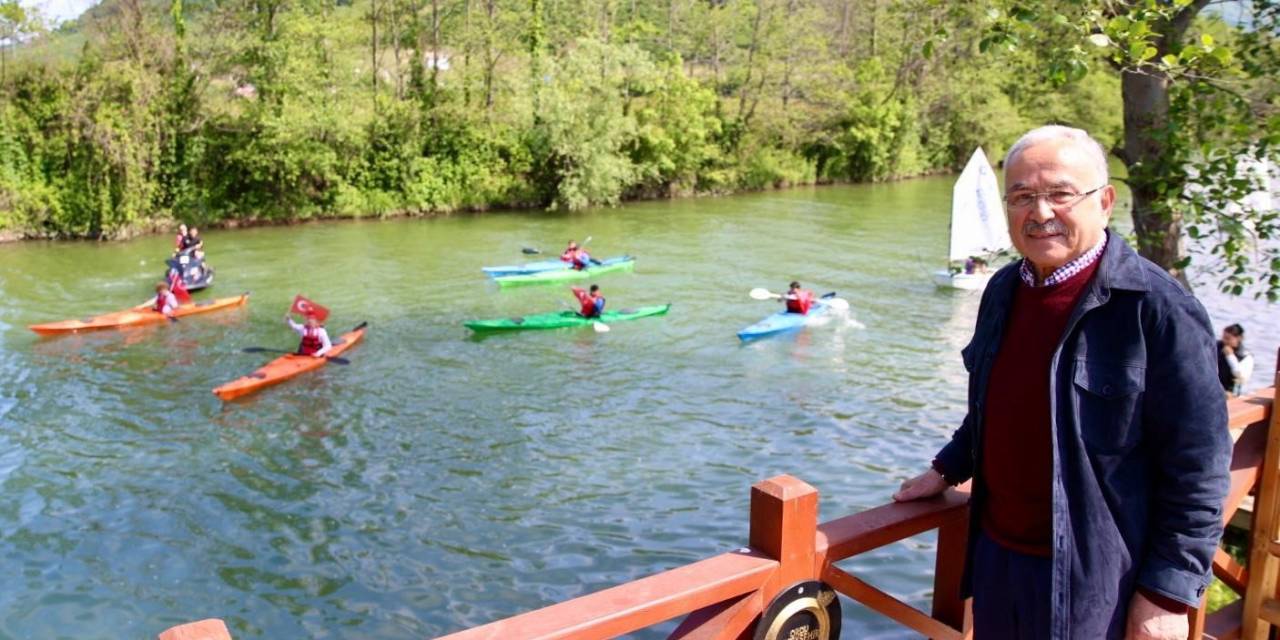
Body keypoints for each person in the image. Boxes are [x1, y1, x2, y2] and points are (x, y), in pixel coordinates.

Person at [892, 125, 1230, 640]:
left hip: (1101, 578)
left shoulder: (1157, 308)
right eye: (1023, 196)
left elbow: (1200, 466)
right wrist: (947, 466)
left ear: (1105, 202)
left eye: (1060, 194)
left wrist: (1168, 594)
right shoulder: (1004, 288)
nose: (1040, 212)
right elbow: (995, 403)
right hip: (998, 562)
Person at [1218, 324, 1254, 396]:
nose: (1224, 341)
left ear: (1239, 338)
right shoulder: (1217, 347)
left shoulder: (1246, 357)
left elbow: (1241, 377)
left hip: (1231, 393)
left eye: (1228, 338)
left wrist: (1230, 356)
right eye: (1223, 337)